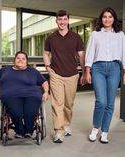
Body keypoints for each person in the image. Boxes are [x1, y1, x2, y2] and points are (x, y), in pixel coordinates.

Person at [85, 7, 125, 144]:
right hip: (98, 67)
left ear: (114, 19)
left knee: (110, 103)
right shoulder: (95, 34)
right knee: (101, 101)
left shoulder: (120, 34)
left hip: (114, 68)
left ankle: (104, 132)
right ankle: (95, 128)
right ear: (101, 19)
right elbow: (90, 52)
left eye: (110, 17)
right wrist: (87, 71)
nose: (107, 19)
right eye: (105, 17)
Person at [43, 10, 86, 143]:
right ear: (56, 21)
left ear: (68, 21)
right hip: (56, 74)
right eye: (60, 20)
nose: (62, 22)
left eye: (64, 19)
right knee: (57, 104)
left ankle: (66, 124)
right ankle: (58, 131)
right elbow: (45, 53)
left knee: (68, 104)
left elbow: (81, 56)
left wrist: (84, 73)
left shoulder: (76, 37)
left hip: (72, 75)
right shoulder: (51, 37)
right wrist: (48, 67)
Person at [0, 51, 49, 138]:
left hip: (32, 95)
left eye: (23, 59)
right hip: (11, 96)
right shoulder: (5, 70)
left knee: (29, 112)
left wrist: (46, 92)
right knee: (16, 112)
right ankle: (20, 131)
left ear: (27, 62)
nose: (20, 60)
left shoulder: (33, 72)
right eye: (18, 58)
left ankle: (28, 131)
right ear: (14, 60)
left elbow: (44, 82)